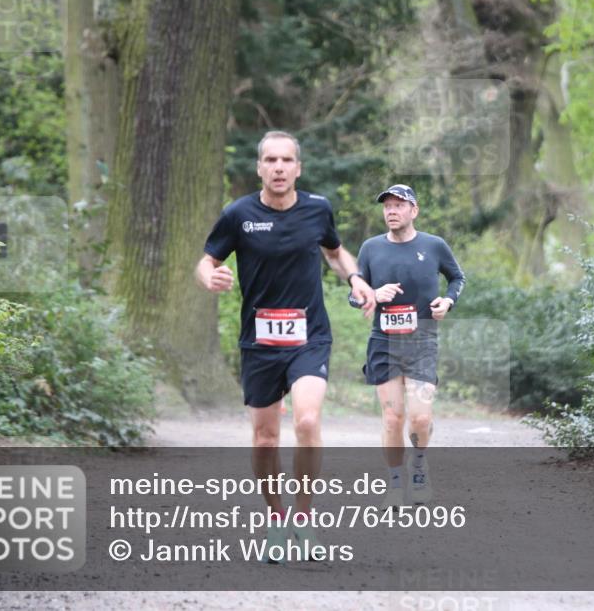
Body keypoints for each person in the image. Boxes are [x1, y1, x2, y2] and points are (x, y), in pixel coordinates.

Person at [196, 130, 375, 561]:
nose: (279, 168)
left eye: (287, 160)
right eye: (271, 160)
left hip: (308, 335)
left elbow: (335, 252)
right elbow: (208, 260)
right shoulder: (238, 214)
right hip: (259, 341)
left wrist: (355, 277)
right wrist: (210, 277)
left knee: (308, 420)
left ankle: (304, 517)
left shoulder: (317, 209)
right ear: (259, 167)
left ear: (298, 168)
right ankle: (276, 517)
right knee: (264, 439)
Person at [352, 184, 465, 508]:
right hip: (383, 342)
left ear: (413, 211)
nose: (391, 211)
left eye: (399, 205)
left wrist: (448, 301)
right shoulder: (371, 248)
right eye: (387, 206)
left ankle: (419, 467)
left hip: (422, 340)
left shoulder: (434, 245)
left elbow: (457, 278)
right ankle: (395, 480)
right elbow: (354, 293)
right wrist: (372, 294)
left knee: (418, 418)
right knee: (392, 419)